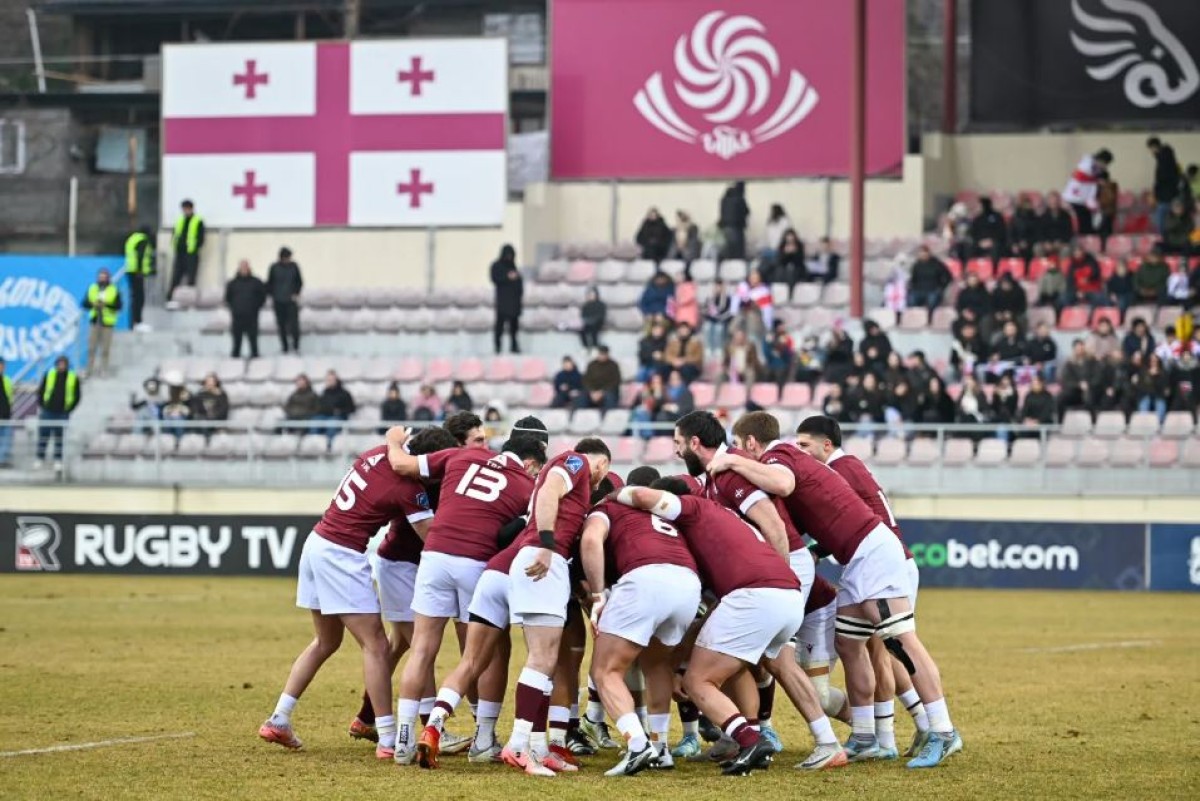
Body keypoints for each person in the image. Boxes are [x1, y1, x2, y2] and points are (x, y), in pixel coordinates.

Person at [711, 412, 961, 768]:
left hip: (874, 553)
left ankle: (943, 730)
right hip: (856, 559)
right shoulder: (791, 459)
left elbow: (783, 484)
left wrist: (731, 461)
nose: (735, 452)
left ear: (751, 443)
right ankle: (865, 736)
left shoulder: (779, 454)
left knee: (900, 641)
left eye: (738, 445)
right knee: (849, 645)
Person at [616, 477, 846, 774]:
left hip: (754, 595)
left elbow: (643, 496)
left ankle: (751, 741)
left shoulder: (690, 509)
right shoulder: (723, 516)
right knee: (767, 664)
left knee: (697, 681)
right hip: (787, 592)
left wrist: (613, 496)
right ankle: (825, 741)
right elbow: (713, 616)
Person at [257, 438, 432, 760]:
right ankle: (387, 738)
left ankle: (279, 718)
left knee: (326, 641)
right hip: (341, 553)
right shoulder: (409, 488)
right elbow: (429, 535)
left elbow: (394, 435)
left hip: (317, 541)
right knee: (376, 645)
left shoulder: (379, 451)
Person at [382, 428, 545, 766]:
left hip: (434, 555)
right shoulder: (527, 487)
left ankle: (403, 740)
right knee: (488, 652)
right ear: (530, 463)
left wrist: (393, 440)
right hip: (476, 562)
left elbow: (401, 465)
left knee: (421, 648)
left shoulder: (461, 454)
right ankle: (484, 738)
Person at [794, 416, 929, 757]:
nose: (800, 452)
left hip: (882, 565)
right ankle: (896, 731)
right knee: (872, 648)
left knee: (882, 649)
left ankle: (897, 734)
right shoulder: (849, 466)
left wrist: (813, 550)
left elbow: (854, 524)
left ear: (827, 445)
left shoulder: (838, 470)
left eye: (805, 445)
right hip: (879, 563)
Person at [499, 439, 611, 777]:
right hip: (543, 558)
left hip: (545, 560)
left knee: (546, 663)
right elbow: (549, 490)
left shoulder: (574, 472)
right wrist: (547, 545)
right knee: (542, 659)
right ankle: (518, 744)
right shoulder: (577, 462)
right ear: (602, 464)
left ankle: (537, 746)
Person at [579, 466, 701, 775]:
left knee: (605, 671)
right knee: (657, 664)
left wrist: (597, 595)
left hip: (646, 577)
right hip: (688, 582)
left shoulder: (606, 507)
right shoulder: (660, 513)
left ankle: (637, 743)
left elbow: (591, 541)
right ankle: (660, 747)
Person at [345, 425, 459, 745]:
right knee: (422, 646)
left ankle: (366, 717)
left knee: (402, 645)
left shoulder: (443, 476)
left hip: (408, 566)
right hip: (399, 566)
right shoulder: (417, 483)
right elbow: (428, 533)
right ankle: (430, 729)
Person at [36, 356, 79, 471]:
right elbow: (41, 390)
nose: (61, 366)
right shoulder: (49, 374)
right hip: (48, 410)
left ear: (67, 365)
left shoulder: (73, 377)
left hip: (63, 412)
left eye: (63, 364)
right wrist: (42, 405)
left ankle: (58, 460)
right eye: (60, 363)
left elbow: (77, 395)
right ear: (56, 364)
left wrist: (70, 408)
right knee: (44, 435)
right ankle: (40, 458)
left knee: (59, 437)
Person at [1062, 149, 1113, 235]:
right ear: (1100, 160)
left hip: (1084, 201)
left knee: (1088, 227)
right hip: (1073, 198)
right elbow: (1079, 176)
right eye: (1104, 164)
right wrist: (1096, 181)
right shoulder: (1087, 163)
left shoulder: (1100, 171)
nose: (1105, 166)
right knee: (1078, 224)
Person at [83, 268, 121, 378]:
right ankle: (89, 369)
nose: (102, 279)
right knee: (91, 348)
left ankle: (103, 369)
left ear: (108, 278)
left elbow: (118, 306)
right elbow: (85, 303)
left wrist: (106, 305)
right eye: (100, 277)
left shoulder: (113, 289)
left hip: (107, 323)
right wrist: (93, 304)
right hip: (95, 321)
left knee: (105, 349)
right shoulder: (92, 288)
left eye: (104, 277)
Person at [225, 259, 267, 359]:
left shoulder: (256, 282)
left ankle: (255, 355)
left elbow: (262, 296)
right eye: (242, 267)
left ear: (249, 268)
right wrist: (234, 307)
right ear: (239, 268)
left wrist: (256, 307)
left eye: (246, 267)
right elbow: (228, 298)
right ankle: (235, 356)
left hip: (252, 315)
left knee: (253, 338)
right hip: (237, 315)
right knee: (237, 339)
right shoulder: (232, 283)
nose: (244, 269)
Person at [267, 247, 303, 354]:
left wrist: (296, 293)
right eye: (286, 257)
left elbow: (299, 281)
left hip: (291, 300)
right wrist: (272, 294)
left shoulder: (294, 267)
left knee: (294, 325)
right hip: (278, 301)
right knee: (281, 325)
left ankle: (296, 346)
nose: (288, 259)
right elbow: (270, 282)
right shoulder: (274, 267)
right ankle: (285, 347)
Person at [168, 199, 204, 304]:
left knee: (191, 278)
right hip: (180, 252)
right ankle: (171, 299)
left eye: (187, 208)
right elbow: (175, 234)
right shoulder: (180, 220)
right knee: (176, 277)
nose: (185, 211)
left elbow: (201, 237)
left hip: (191, 253)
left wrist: (196, 247)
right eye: (184, 209)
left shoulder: (197, 221)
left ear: (191, 209)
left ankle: (189, 301)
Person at [490, 244, 523, 354]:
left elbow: (519, 284)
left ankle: (514, 346)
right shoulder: (496, 266)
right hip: (502, 302)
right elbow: (495, 278)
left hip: (514, 302)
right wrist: (507, 277)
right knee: (499, 326)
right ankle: (497, 346)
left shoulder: (514, 267)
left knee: (514, 327)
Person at [1147, 137, 1181, 234]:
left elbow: (1160, 180)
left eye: (1150, 149)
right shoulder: (1170, 159)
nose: (1151, 152)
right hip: (1172, 195)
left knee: (1161, 222)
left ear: (1154, 147)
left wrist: (1154, 192)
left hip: (1164, 197)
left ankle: (1163, 238)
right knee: (1171, 222)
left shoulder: (1162, 159)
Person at [124, 227, 155, 332]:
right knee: (139, 298)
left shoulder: (132, 238)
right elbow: (141, 256)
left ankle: (133, 322)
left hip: (131, 270)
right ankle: (138, 321)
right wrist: (140, 270)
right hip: (137, 272)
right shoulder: (143, 240)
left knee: (134, 298)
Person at [1058, 340, 1098, 420]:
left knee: (1089, 398)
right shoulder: (1069, 363)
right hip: (1075, 391)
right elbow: (1066, 380)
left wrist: (1088, 384)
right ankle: (1060, 422)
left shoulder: (1092, 361)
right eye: (1077, 348)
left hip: (1091, 389)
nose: (1080, 350)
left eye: (1081, 347)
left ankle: (1093, 422)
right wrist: (1078, 385)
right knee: (1060, 398)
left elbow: (1097, 376)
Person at [581, 346, 621, 411]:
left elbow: (616, 381)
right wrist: (592, 391)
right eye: (601, 354)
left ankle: (608, 415)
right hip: (593, 391)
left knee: (609, 397)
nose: (602, 356)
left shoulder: (613, 365)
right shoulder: (592, 365)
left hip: (607, 391)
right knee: (581, 398)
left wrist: (602, 392)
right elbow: (586, 380)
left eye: (604, 354)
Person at [1133, 354, 1170, 423]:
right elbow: (1142, 386)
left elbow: (1163, 387)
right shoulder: (1143, 372)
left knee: (1160, 404)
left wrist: (1156, 376)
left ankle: (1160, 423)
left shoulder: (1163, 372)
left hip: (1158, 395)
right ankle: (1143, 423)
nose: (1154, 363)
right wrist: (1149, 375)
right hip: (1146, 395)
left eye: (1155, 361)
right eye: (1152, 361)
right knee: (1145, 401)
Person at [969, 197, 1008, 262]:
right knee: (969, 248)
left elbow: (1001, 232)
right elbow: (973, 233)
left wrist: (991, 241)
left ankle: (994, 267)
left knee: (996, 249)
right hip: (980, 242)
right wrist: (979, 242)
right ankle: (971, 266)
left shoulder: (997, 217)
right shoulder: (978, 219)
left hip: (994, 242)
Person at [718, 181, 749, 261]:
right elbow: (746, 211)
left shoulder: (724, 199)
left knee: (728, 250)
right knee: (738, 252)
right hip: (736, 227)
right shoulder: (739, 198)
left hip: (724, 227)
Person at [773, 229, 808, 299]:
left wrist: (795, 253)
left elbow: (800, 260)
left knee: (792, 272)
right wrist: (786, 254)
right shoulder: (782, 246)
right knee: (782, 271)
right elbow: (779, 261)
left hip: (797, 268)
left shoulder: (799, 245)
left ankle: (792, 293)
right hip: (784, 268)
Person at [702, 279, 733, 353]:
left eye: (720, 287)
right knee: (707, 327)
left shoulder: (728, 299)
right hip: (711, 320)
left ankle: (718, 348)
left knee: (719, 328)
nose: (718, 289)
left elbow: (729, 312)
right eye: (716, 287)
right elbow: (705, 310)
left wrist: (721, 318)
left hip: (722, 321)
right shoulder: (710, 298)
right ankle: (708, 348)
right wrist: (709, 315)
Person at [1008, 196, 1040, 263]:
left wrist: (1027, 242)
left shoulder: (1035, 219)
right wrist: (1014, 244)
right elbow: (1010, 233)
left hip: (1030, 244)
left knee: (1034, 249)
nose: (1027, 206)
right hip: (1017, 243)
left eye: (1029, 204)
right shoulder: (1015, 218)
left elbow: (1036, 234)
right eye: (1025, 204)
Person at [579, 287, 606, 352]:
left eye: (592, 294)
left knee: (594, 330)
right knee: (582, 330)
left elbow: (602, 315)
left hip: (598, 323)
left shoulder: (601, 305)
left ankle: (595, 346)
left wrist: (594, 320)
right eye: (589, 294)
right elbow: (583, 316)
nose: (590, 296)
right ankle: (585, 347)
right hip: (588, 323)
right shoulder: (585, 306)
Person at [0, 358, 12, 467]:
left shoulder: (7, 379)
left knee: (6, 438)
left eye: (2, 365)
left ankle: (2, 460)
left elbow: (8, 397)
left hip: (5, 414)